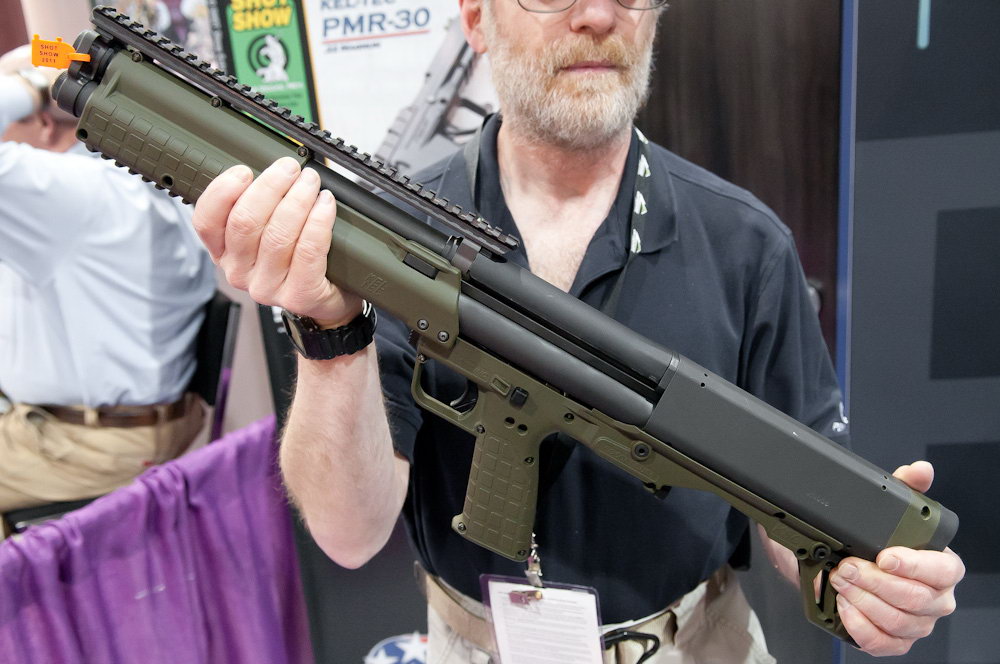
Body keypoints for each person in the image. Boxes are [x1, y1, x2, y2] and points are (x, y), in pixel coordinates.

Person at [191, 0, 965, 660]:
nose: (597, 14)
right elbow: (350, 534)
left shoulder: (745, 244)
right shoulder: (396, 235)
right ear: (476, 19)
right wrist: (330, 335)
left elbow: (797, 510)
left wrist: (869, 583)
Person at [0, 46, 216, 517]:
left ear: (43, 122)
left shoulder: (71, 193)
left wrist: (29, 84)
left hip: (82, 444)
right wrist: (38, 62)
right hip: (126, 426)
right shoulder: (131, 176)